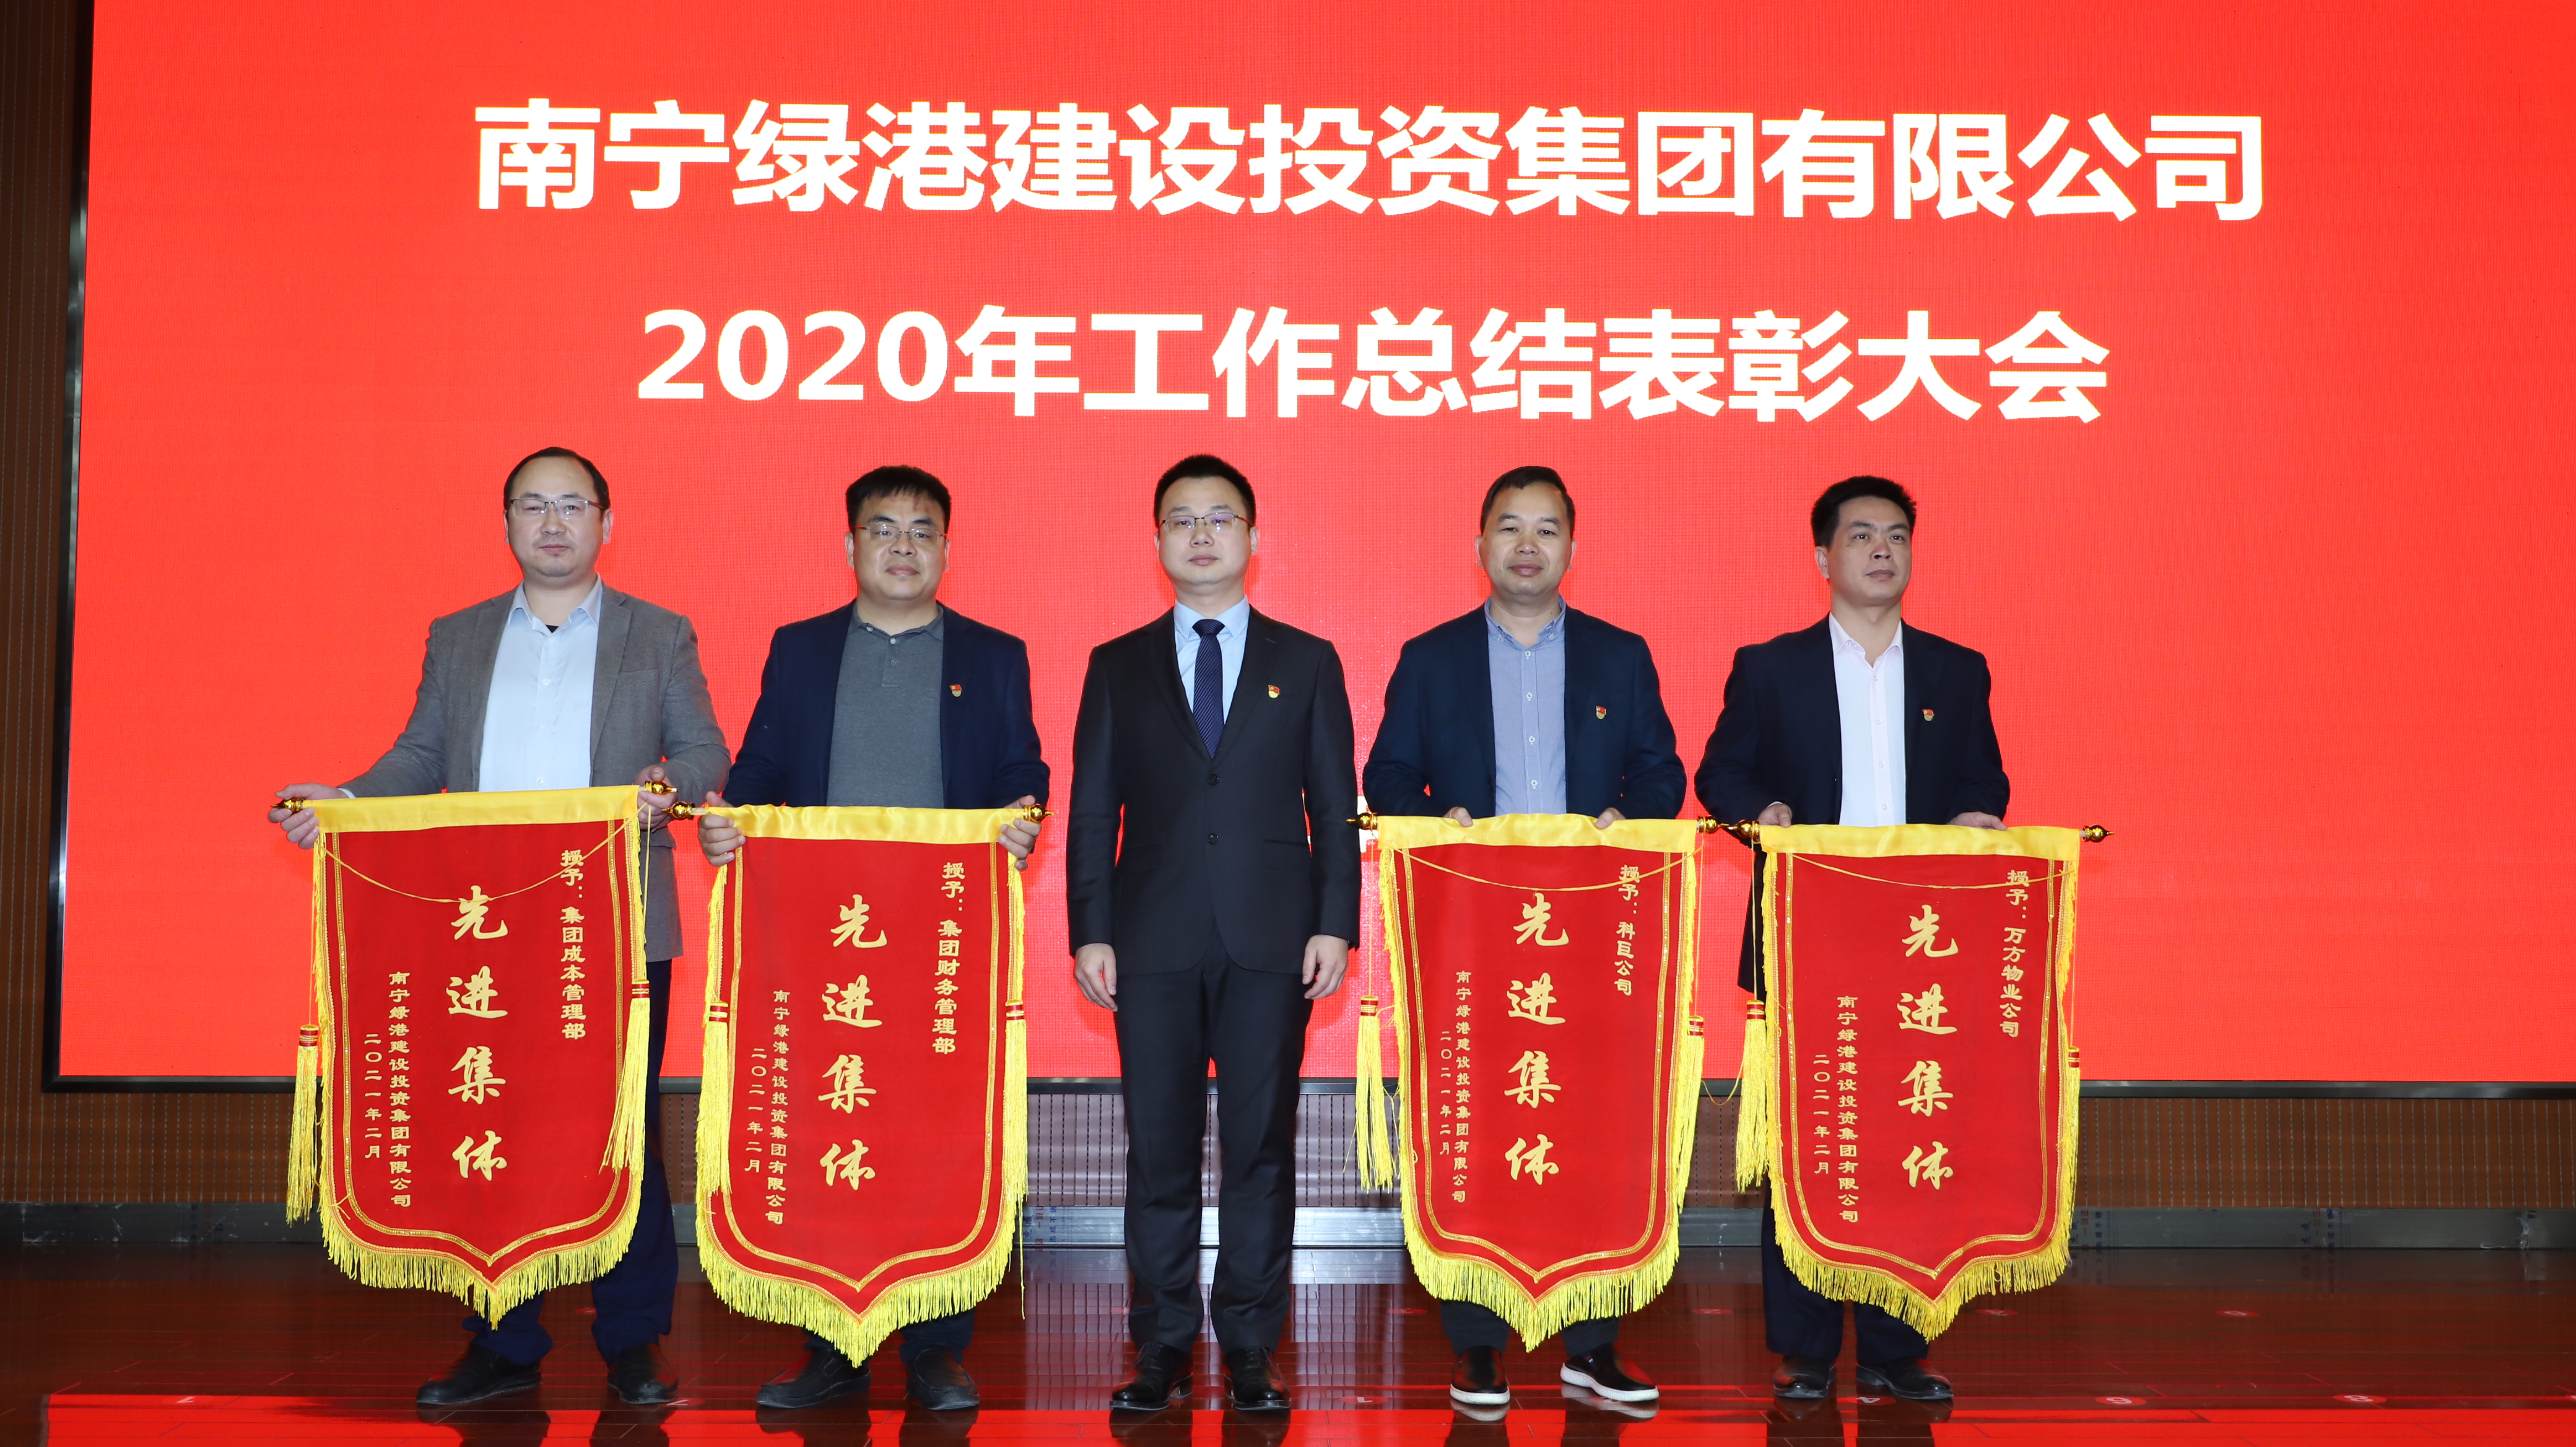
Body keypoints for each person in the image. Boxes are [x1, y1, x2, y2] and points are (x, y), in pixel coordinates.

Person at [266, 446, 729, 1407]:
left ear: (607, 522)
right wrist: (345, 801)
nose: (553, 524)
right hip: (485, 930)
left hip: (612, 925)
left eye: (573, 506)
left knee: (622, 1133)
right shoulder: (462, 635)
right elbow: (421, 756)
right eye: (532, 506)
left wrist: (668, 787)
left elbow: (701, 750)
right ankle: (503, 1342)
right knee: (493, 1121)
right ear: (508, 522)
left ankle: (634, 1342)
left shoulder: (659, 633)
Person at [692, 465, 1048, 1413]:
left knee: (938, 1131)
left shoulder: (994, 654)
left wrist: (1022, 813)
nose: (902, 546)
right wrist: (732, 821)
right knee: (825, 1122)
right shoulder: (801, 649)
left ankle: (938, 1350)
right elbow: (762, 764)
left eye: (922, 530)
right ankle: (830, 1348)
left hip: (939, 939)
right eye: (883, 528)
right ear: (850, 545)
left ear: (946, 549)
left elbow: (1021, 768)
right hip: (822, 939)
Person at [1362, 465, 1682, 1411]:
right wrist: (1441, 820)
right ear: (1481, 547)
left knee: (1593, 1126)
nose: (1528, 545)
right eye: (1510, 527)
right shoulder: (1432, 657)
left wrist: (1626, 818)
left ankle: (1594, 1343)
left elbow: (1662, 774)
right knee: (1472, 1119)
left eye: (1547, 528)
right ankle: (1477, 1343)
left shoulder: (1621, 656)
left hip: (1591, 930)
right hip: (1474, 931)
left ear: (1572, 548)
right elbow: (1388, 775)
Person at [1694, 475, 2008, 1405]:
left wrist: (1977, 816)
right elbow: (1721, 772)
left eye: (1897, 535)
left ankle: (1895, 1348)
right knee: (1807, 1144)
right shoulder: (1771, 667)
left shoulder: (1957, 671)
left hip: (1921, 944)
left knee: (1910, 1134)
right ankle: (1803, 1349)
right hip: (1808, 933)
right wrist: (1761, 810)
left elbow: (1984, 779)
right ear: (1823, 556)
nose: (1882, 550)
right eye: (1862, 535)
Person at [1066, 454, 1360, 1413]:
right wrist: (1089, 930)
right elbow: (1092, 809)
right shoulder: (1117, 664)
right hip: (1148, 940)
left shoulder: (1306, 661)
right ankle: (1159, 1346)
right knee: (1157, 1154)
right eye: (1182, 519)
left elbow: (1333, 805)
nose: (1202, 535)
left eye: (1220, 518)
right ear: (1156, 540)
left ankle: (1250, 1348)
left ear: (1253, 537)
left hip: (1272, 939)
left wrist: (1336, 923)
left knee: (1258, 1152)